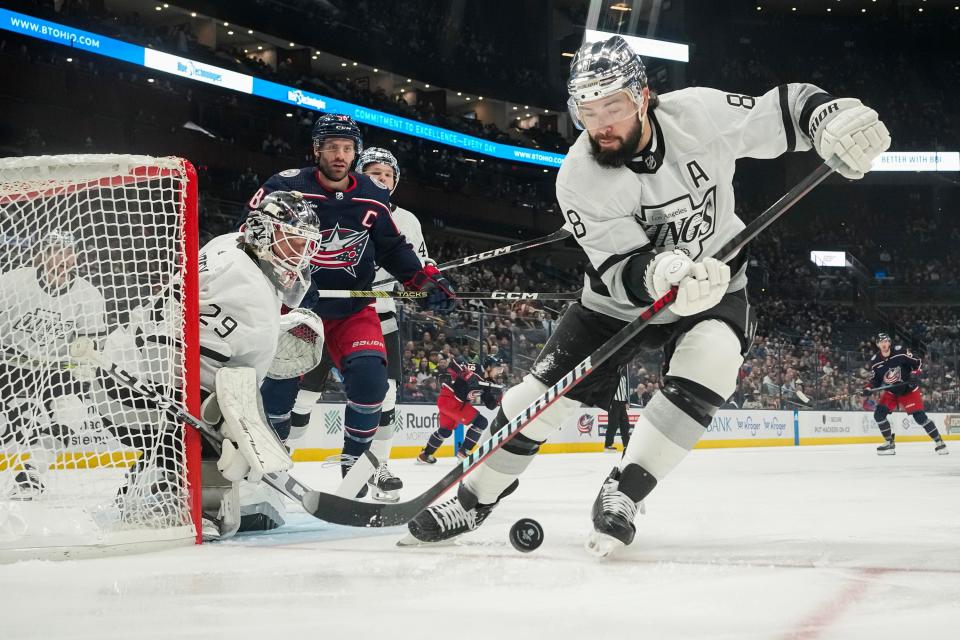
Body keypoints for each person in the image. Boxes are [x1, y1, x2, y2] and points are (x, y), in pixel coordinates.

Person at [403, 35, 890, 556]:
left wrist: (829, 117)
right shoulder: (578, 177)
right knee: (537, 402)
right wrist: (664, 272)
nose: (601, 123)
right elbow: (618, 265)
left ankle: (624, 492)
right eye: (587, 111)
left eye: (612, 105)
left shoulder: (698, 115)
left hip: (719, 283)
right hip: (618, 302)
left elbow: (783, 108)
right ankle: (475, 497)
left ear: (641, 96)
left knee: (713, 363)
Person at [255, 115, 455, 498]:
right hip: (298, 309)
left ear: (354, 152)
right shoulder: (285, 185)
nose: (339, 155)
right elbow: (252, 233)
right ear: (317, 149)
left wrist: (422, 281)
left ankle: (355, 460)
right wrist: (286, 283)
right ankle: (270, 462)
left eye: (346, 148)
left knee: (371, 381)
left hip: (352, 310)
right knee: (280, 390)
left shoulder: (370, 194)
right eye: (331, 147)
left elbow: (394, 249)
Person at [283, 146, 434, 502]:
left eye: (388, 174)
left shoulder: (408, 220)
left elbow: (419, 265)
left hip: (377, 315)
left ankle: (374, 466)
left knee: (385, 395)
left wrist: (428, 281)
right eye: (374, 172)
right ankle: (281, 457)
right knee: (302, 393)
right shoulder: (341, 205)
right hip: (321, 312)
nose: (382, 179)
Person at [1, 230, 106, 499]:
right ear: (41, 255)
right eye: (55, 251)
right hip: (10, 363)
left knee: (72, 412)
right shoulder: (13, 282)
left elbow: (91, 341)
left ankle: (31, 474)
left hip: (55, 368)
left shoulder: (88, 295)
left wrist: (86, 357)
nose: (63, 258)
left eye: (69, 252)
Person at [863, 333, 947, 456]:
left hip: (908, 390)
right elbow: (875, 380)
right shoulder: (875, 361)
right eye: (881, 342)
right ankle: (889, 443)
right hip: (892, 391)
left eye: (886, 341)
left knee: (920, 417)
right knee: (879, 414)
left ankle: (939, 442)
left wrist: (914, 374)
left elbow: (918, 362)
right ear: (877, 344)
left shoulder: (900, 352)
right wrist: (868, 388)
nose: (884, 344)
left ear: (889, 342)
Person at [417, 355, 504, 464]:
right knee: (481, 422)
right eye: (498, 369)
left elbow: (490, 405)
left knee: (445, 431)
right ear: (489, 367)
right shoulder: (476, 368)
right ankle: (464, 452)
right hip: (451, 399)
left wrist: (499, 398)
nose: (499, 372)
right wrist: (467, 374)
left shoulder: (489, 383)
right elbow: (454, 363)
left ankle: (425, 455)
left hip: (449, 403)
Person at [603, 367, 630, 452]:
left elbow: (624, 390)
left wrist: (626, 401)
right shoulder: (611, 376)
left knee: (625, 424)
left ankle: (626, 444)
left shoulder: (624, 377)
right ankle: (608, 445)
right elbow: (607, 390)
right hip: (613, 403)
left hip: (622, 403)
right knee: (613, 424)